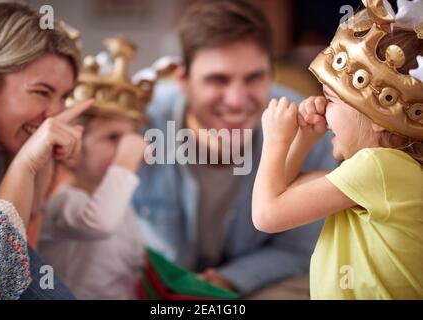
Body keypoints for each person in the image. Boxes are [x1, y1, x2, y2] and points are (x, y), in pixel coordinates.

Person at [133, 0, 337, 296]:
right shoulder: (139, 119)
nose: (237, 100)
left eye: (254, 78)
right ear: (183, 80)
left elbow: (299, 248)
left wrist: (228, 281)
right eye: (218, 79)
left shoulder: (307, 128)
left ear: (270, 74)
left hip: (255, 287)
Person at [252, 0, 423, 299]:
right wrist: (304, 138)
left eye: (331, 98)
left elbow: (268, 215)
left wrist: (276, 141)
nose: (322, 107)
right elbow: (285, 189)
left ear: (378, 119)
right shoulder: (383, 171)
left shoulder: (380, 166)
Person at [0, 1, 92, 299]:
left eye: (64, 97)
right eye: (41, 92)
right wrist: (25, 165)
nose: (55, 114)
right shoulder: (21, 158)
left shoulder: (4, 150)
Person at [38, 107, 147, 300]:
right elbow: (99, 223)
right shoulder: (65, 201)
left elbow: (134, 267)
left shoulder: (124, 209)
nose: (130, 146)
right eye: (113, 138)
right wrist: (125, 159)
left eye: (132, 137)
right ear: (74, 152)